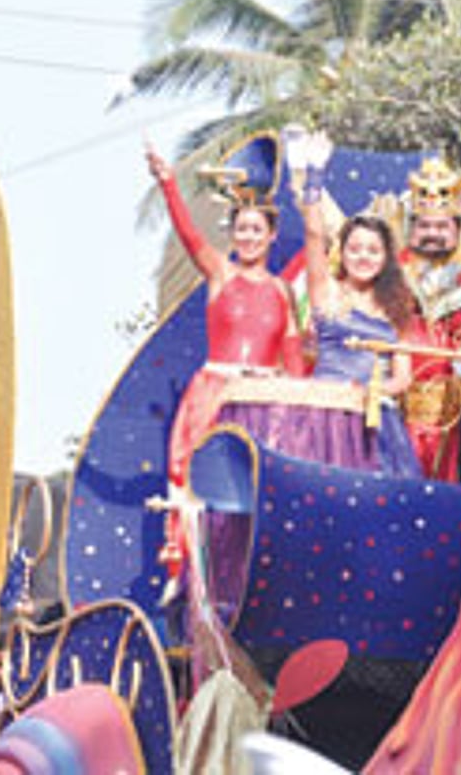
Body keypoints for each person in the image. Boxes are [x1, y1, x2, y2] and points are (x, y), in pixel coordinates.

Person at [146, 143, 304, 603]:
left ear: (272, 235)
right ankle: (187, 571)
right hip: (214, 392)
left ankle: (249, 574)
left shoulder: (280, 292)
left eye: (257, 229)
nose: (249, 237)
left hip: (259, 399)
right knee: (196, 477)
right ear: (232, 235)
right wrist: (169, 183)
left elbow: (292, 358)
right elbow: (190, 236)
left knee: (249, 488)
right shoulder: (219, 273)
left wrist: (294, 401)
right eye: (242, 230)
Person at [286, 131, 422, 477]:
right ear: (342, 254)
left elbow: (403, 377)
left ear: (386, 257)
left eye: (373, 250)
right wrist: (314, 176)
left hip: (376, 420)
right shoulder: (327, 292)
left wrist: (372, 392)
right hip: (326, 413)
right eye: (355, 249)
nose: (364, 257)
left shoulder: (398, 306)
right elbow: (315, 234)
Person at [396, 158, 461, 481]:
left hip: (453, 421)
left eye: (442, 227)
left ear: (458, 229)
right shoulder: (390, 275)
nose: (432, 235)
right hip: (397, 412)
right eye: (424, 226)